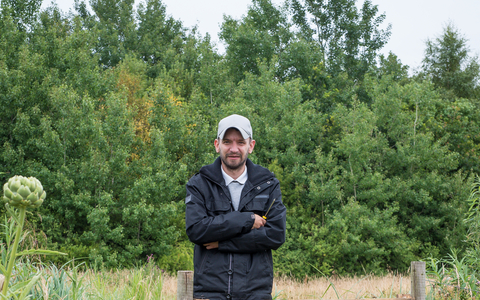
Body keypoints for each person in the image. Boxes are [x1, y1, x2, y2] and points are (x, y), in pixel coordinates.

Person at [185, 114, 287, 300]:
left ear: (251, 145)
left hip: (255, 293)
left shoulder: (269, 184)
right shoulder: (199, 184)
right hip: (210, 293)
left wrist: (223, 243)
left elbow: (275, 235)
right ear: (217, 145)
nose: (233, 149)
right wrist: (246, 220)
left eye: (240, 142)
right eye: (227, 142)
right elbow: (196, 230)